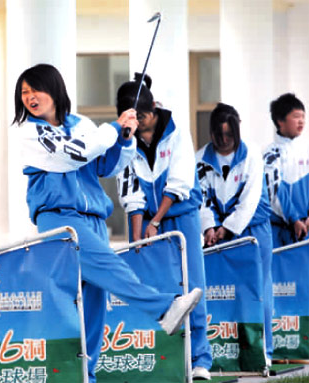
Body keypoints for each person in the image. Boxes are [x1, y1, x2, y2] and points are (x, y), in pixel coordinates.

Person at [13, 63, 203, 383]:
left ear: (54, 89)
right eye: (24, 93)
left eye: (36, 90)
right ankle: (164, 308)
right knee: (111, 268)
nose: (30, 97)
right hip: (60, 220)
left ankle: (86, 375)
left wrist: (125, 139)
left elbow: (106, 165)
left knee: (93, 306)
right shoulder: (31, 132)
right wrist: (112, 130)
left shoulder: (83, 124)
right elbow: (72, 155)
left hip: (94, 220)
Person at [115, 73, 212, 380]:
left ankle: (201, 359)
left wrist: (156, 221)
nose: (137, 123)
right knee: (151, 286)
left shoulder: (177, 134)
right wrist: (137, 236)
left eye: (141, 116)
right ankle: (161, 355)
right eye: (131, 117)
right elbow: (131, 192)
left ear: (152, 110)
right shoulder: (126, 141)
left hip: (180, 216)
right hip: (145, 221)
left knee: (192, 284)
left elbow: (179, 183)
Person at [195, 103, 274, 365]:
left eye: (230, 135)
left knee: (257, 289)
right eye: (220, 135)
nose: (226, 141)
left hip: (252, 229)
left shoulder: (251, 154)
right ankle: (227, 351)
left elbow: (250, 201)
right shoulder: (200, 159)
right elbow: (201, 201)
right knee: (223, 290)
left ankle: (264, 352)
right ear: (212, 133)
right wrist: (209, 228)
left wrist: (227, 228)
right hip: (216, 234)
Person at [263, 93, 309, 248]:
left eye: (303, 116)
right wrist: (294, 219)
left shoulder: (306, 150)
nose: (301, 120)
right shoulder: (270, 155)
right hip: (280, 233)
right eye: (296, 116)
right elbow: (274, 192)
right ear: (280, 121)